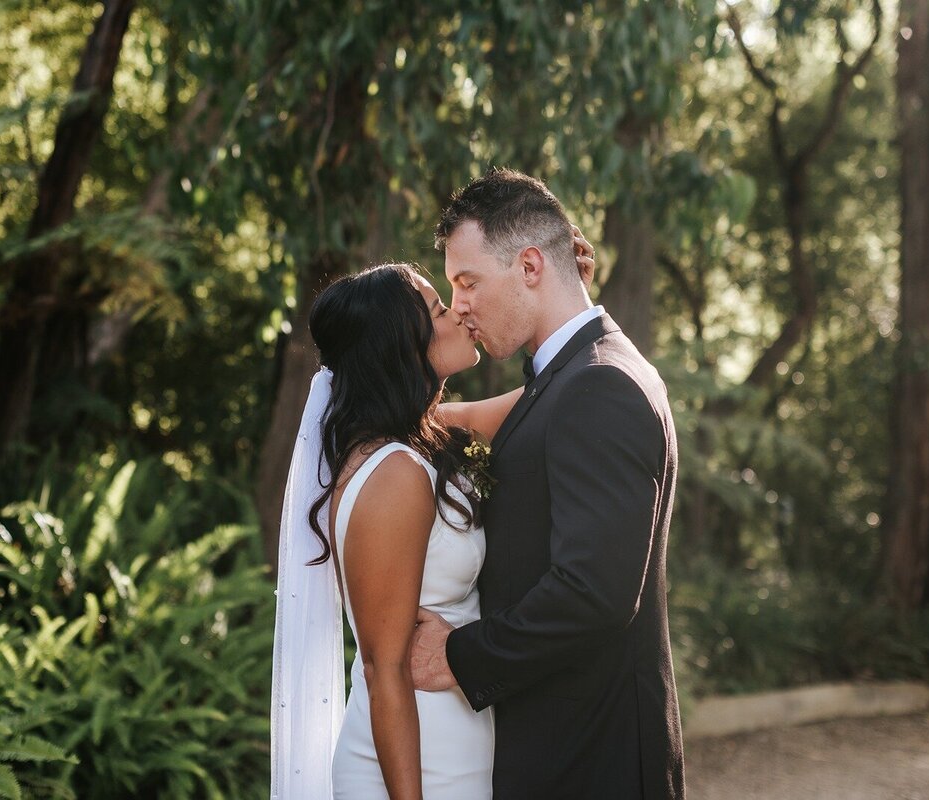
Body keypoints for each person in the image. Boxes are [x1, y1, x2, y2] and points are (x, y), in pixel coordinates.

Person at [270, 245, 595, 798]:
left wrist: (566, 296)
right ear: (403, 345)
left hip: (452, 742)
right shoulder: (393, 474)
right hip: (414, 763)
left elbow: (550, 396)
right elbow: (383, 670)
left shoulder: (419, 439)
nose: (460, 312)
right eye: (440, 310)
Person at [410, 168, 686, 799]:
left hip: (592, 763)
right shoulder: (575, 374)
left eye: (468, 282)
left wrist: (458, 656)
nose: (459, 305)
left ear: (530, 266)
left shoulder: (598, 386)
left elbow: (593, 592)